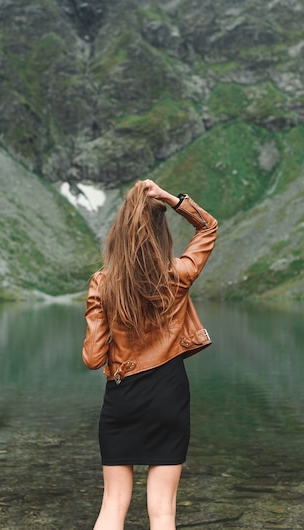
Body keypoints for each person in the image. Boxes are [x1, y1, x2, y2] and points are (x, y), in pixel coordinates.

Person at [82, 179, 218, 530]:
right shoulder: (177, 275)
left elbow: (93, 358)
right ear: (161, 232)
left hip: (122, 395)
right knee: (162, 512)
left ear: (120, 230)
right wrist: (171, 199)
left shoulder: (103, 282)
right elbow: (208, 226)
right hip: (169, 395)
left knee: (112, 505)